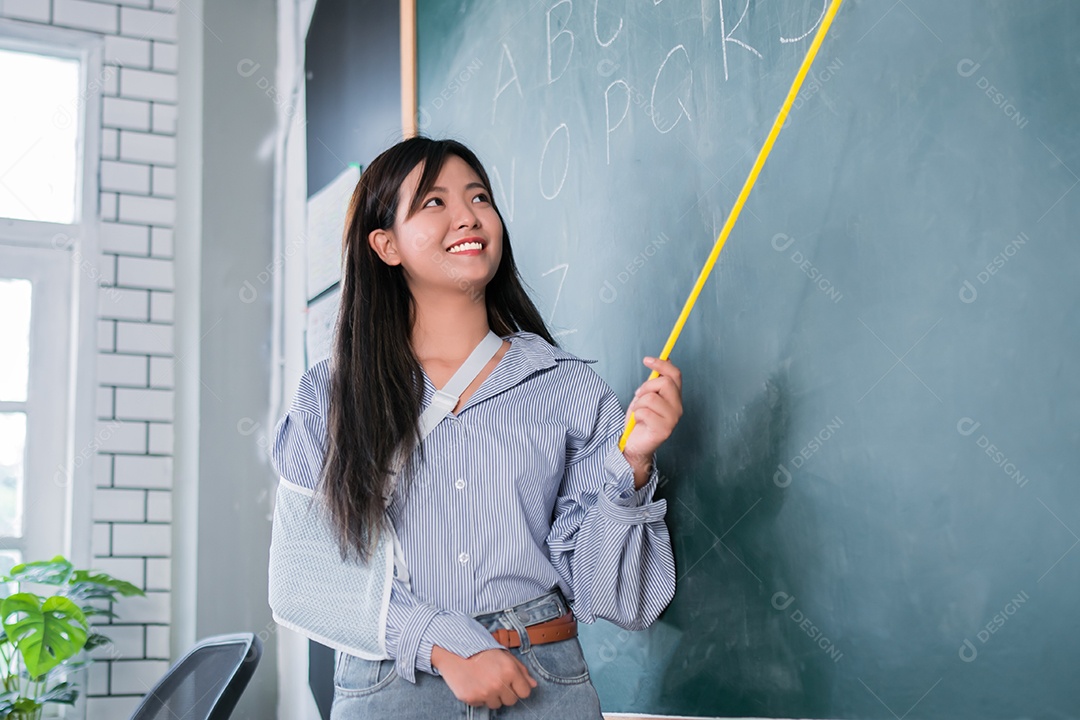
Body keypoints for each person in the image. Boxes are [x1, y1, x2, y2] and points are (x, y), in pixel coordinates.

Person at [269, 137, 682, 718]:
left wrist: (634, 462)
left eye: (479, 197)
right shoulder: (333, 395)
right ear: (386, 245)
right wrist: (443, 645)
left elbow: (620, 600)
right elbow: (301, 581)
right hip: (392, 687)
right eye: (434, 202)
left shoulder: (567, 386)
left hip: (539, 677)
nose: (468, 216)